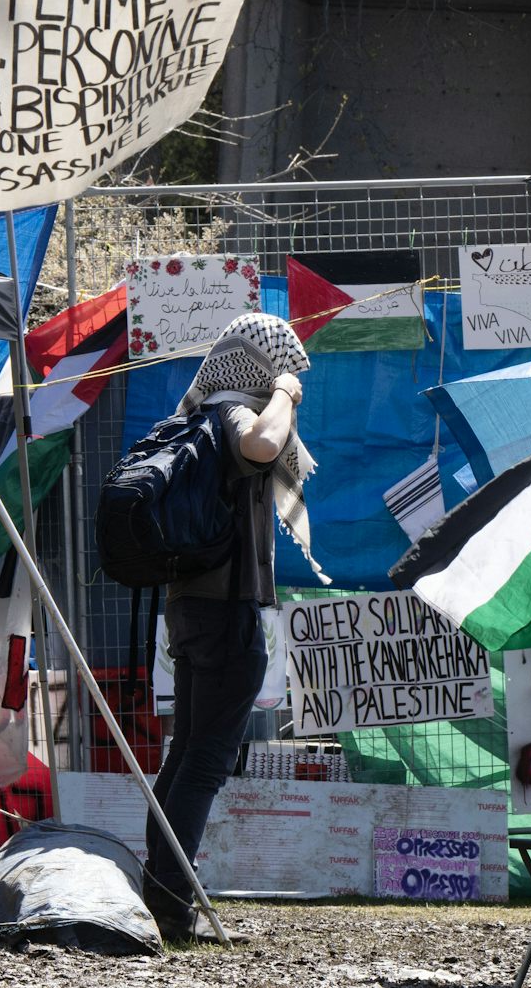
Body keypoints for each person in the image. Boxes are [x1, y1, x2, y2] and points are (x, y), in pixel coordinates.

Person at [143, 312, 315, 941]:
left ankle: (161, 895)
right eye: (281, 367)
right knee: (204, 763)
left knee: (186, 756)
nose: (292, 382)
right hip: (224, 612)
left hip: (192, 609)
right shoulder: (233, 416)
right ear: (257, 369)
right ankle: (171, 908)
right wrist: (285, 392)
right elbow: (266, 446)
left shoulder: (195, 418)